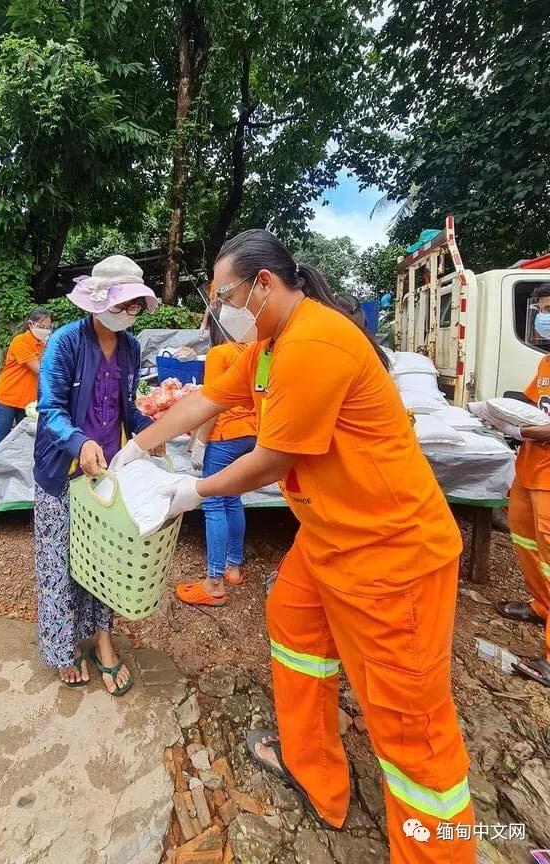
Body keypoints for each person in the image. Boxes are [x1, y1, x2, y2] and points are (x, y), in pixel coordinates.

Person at [112, 230, 475, 863]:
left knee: (411, 728)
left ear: (262, 285)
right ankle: (314, 770)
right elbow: (207, 399)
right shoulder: (273, 347)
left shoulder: (314, 342)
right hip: (331, 535)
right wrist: (136, 448)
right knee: (294, 625)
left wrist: (187, 492)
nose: (218, 307)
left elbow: (272, 457)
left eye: (223, 293)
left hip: (390, 551)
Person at [33, 255, 162, 695]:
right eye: (122, 304)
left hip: (106, 474)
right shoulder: (66, 343)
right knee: (59, 562)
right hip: (61, 470)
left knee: (104, 560)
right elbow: (49, 409)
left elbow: (128, 408)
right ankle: (65, 647)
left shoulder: (129, 347)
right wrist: (79, 442)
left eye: (133, 306)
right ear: (96, 302)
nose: (128, 313)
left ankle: (104, 643)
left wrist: (152, 432)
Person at [178, 314, 256, 607]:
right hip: (249, 435)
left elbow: (214, 402)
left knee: (213, 503)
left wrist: (200, 441)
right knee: (233, 498)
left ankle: (214, 582)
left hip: (224, 435)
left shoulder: (219, 353)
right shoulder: (251, 351)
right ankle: (233, 567)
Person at [494, 282, 550, 687]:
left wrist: (532, 429)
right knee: (528, 544)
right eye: (541, 310)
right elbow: (531, 405)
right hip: (530, 469)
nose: (542, 319)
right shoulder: (546, 365)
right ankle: (542, 606)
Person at [0, 307, 52, 452]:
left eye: (48, 327)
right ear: (30, 324)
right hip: (8, 397)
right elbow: (39, 369)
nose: (45, 330)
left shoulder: (43, 344)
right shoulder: (21, 341)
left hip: (27, 401)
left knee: (23, 442)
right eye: (42, 326)